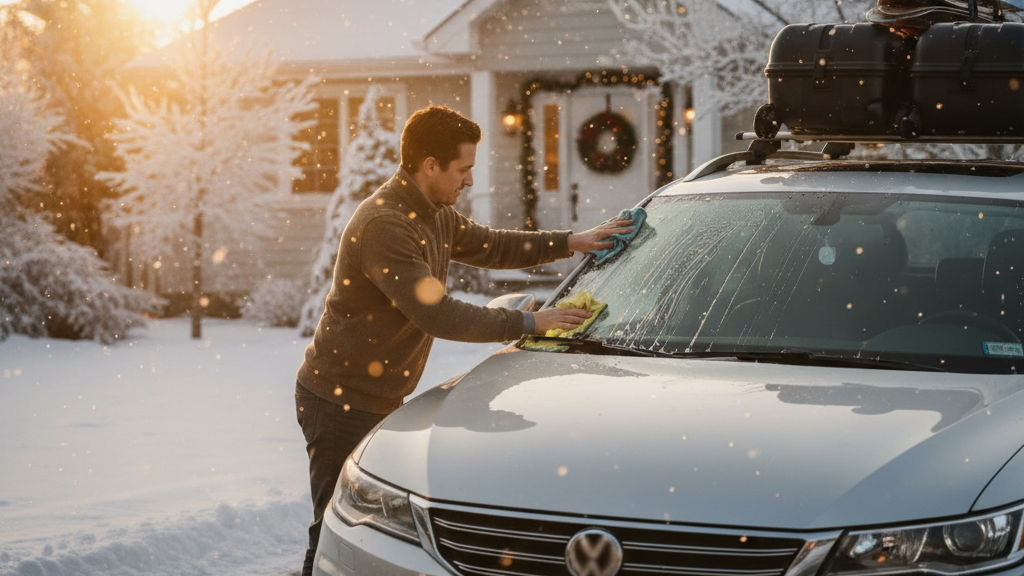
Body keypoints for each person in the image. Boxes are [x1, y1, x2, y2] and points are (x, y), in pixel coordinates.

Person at [293, 105, 632, 575]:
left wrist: (572, 241)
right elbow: (436, 313)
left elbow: (491, 245)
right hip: (338, 400)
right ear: (429, 166)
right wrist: (533, 324)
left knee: (369, 525)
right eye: (463, 169)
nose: (469, 180)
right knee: (337, 528)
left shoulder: (434, 211)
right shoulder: (386, 225)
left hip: (376, 395)